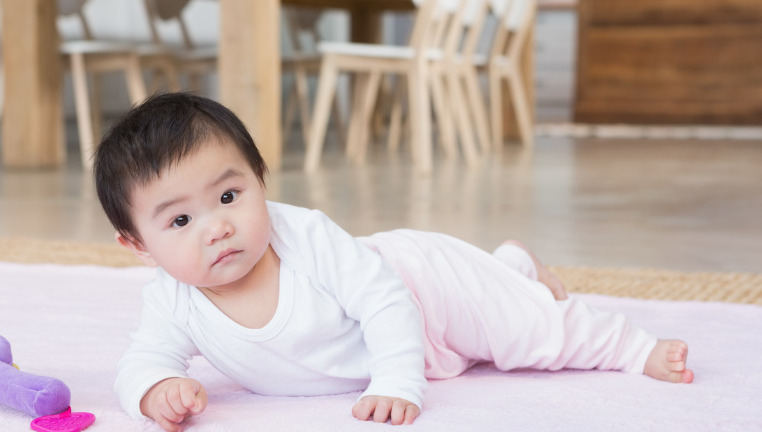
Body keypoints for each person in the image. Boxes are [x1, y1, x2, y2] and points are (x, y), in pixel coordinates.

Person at [94, 93, 694, 432]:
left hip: (424, 286)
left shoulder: (305, 237)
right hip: (408, 333)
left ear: (260, 178)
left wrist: (397, 383)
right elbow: (140, 362)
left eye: (229, 196)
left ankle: (629, 346)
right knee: (496, 311)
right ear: (138, 245)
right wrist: (155, 390)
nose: (218, 227)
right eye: (180, 221)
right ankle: (513, 265)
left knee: (526, 330)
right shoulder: (171, 300)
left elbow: (385, 301)